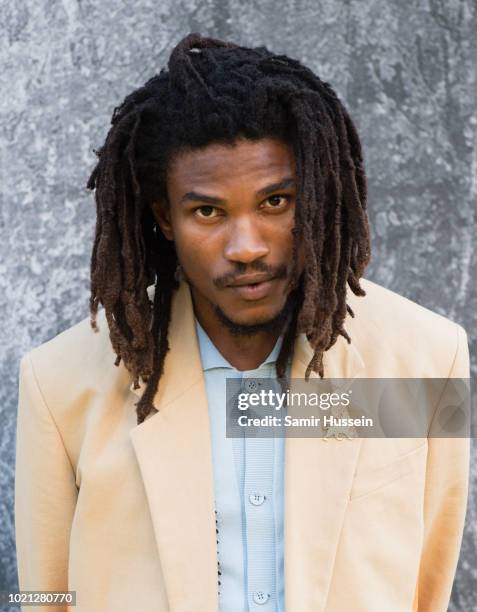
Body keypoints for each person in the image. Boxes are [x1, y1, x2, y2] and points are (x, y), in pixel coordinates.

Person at [15, 32, 470, 612]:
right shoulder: (57, 384)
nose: (247, 246)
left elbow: (428, 585)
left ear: (317, 195)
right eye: (208, 210)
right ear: (165, 218)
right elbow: (43, 592)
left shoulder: (428, 357)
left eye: (275, 202)